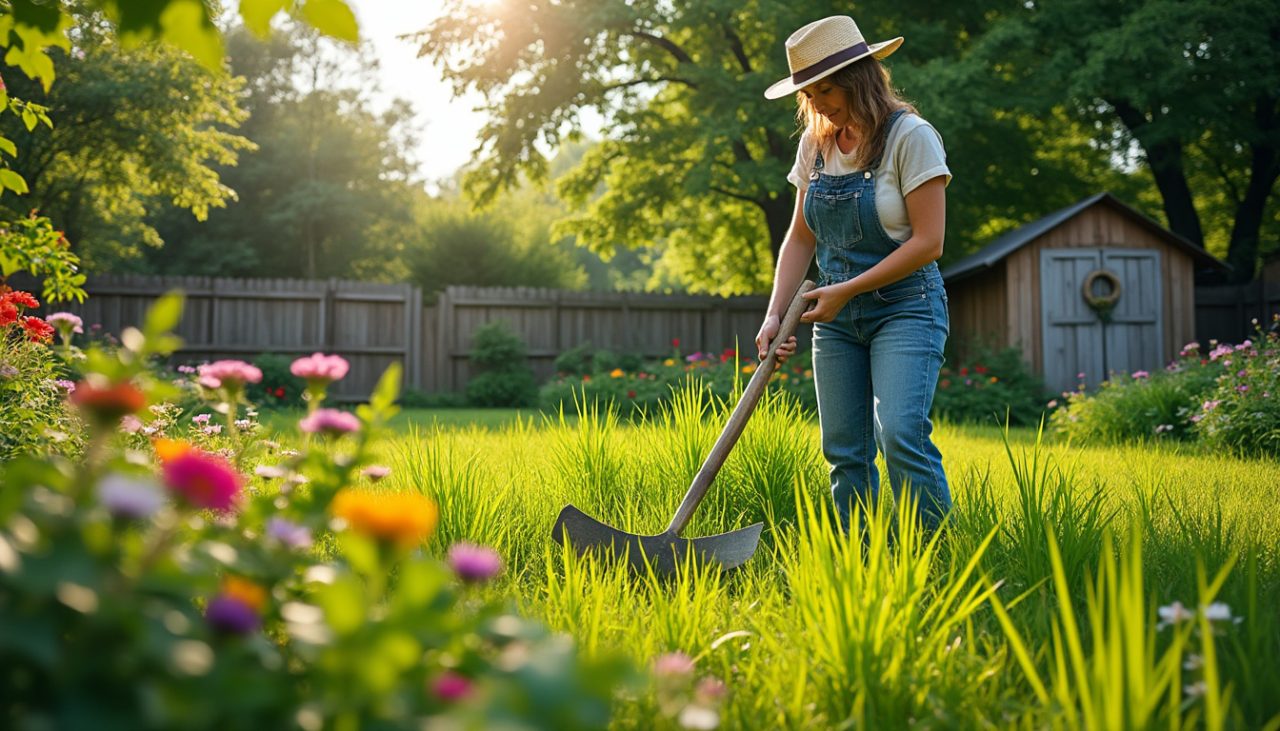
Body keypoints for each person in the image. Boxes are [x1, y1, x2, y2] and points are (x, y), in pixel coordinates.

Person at [756, 15, 952, 533]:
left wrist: (845, 289)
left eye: (826, 87)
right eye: (808, 92)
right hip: (836, 318)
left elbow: (929, 243)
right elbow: (801, 237)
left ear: (860, 76)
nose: (818, 102)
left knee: (901, 433)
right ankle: (856, 562)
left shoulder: (911, 137)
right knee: (845, 450)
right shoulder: (815, 145)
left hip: (906, 306)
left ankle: (935, 560)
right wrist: (776, 314)